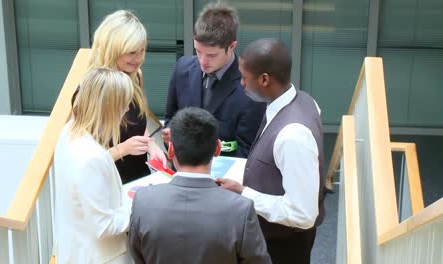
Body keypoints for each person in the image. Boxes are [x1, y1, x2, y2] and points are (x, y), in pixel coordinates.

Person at [216, 39, 326, 264]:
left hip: (283, 247)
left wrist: (244, 193)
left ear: (264, 79)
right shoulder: (306, 100)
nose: (241, 84)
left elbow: (303, 214)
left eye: (244, 78)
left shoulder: (293, 135)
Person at [129, 107, 271, 264]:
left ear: (170, 150)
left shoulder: (143, 201)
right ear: (217, 149)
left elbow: (138, 256)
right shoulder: (241, 210)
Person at [162, 1, 265, 158]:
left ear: (232, 46)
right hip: (181, 172)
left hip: (223, 177)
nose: (203, 61)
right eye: (198, 51)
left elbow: (247, 151)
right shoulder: (182, 68)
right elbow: (170, 118)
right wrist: (171, 136)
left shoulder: (251, 89)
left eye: (211, 55)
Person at [54, 68, 134, 263]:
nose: (126, 110)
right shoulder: (92, 158)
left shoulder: (68, 133)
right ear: (111, 107)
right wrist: (139, 208)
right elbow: (103, 226)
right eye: (124, 104)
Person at [79, 10, 166, 184]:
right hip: (109, 180)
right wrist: (123, 149)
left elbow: (138, 121)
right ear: (112, 49)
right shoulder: (92, 90)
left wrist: (151, 144)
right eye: (132, 52)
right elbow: (85, 158)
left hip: (139, 175)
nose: (138, 58)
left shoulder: (135, 76)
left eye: (142, 51)